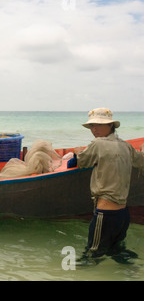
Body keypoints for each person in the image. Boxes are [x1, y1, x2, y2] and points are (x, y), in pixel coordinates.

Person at [73, 108, 144, 262]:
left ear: (111, 125)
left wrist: (78, 152)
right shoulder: (126, 146)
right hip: (123, 215)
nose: (94, 129)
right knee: (117, 252)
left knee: (91, 257)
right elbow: (141, 160)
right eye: (92, 126)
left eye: (98, 124)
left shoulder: (97, 144)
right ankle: (135, 272)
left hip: (105, 215)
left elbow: (81, 161)